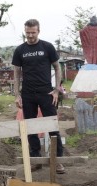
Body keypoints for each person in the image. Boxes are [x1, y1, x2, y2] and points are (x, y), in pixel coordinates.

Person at [12, 19, 65, 174]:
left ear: (38, 31)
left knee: (52, 126)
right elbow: (16, 74)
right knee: (30, 127)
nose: (30, 36)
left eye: (33, 32)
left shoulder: (47, 47)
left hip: (46, 93)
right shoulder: (20, 50)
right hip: (27, 94)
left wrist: (56, 90)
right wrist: (17, 94)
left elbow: (57, 66)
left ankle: (58, 161)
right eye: (27, 33)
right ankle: (35, 159)